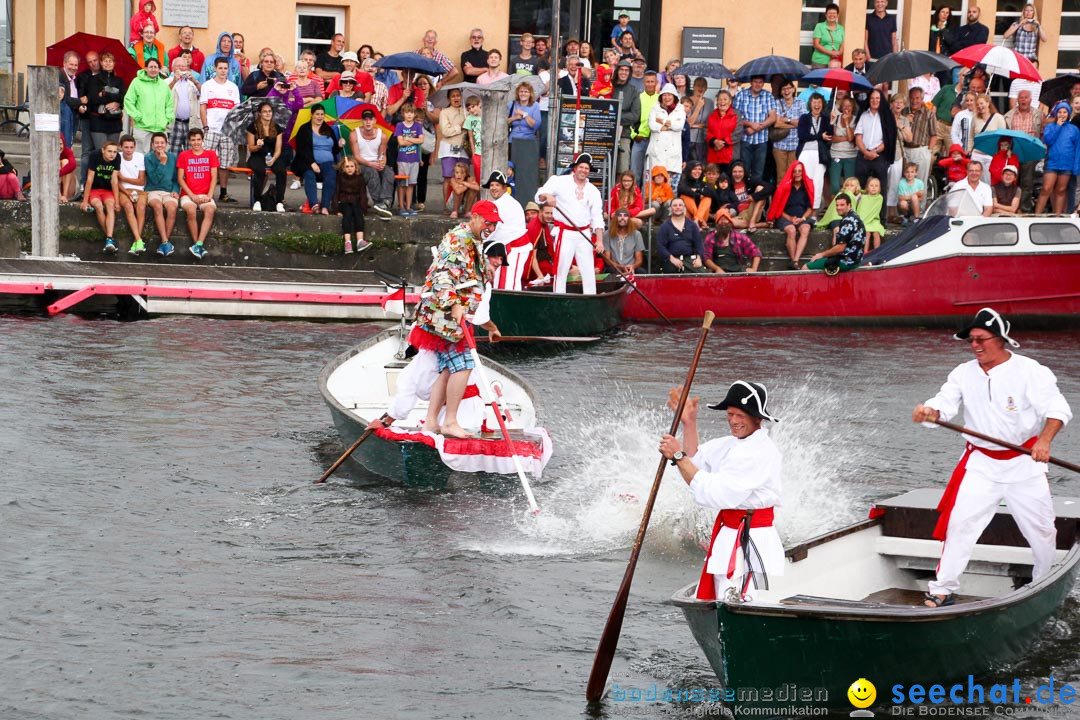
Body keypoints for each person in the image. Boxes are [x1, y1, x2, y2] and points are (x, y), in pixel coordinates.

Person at [912, 308, 1072, 608]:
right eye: (971, 340)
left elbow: (1057, 409)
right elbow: (944, 405)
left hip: (1025, 464)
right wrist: (930, 412)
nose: (975, 346)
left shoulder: (1030, 371)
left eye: (981, 339)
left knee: (1041, 529)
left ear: (1001, 340)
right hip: (981, 465)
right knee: (960, 524)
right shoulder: (963, 373)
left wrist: (1044, 441)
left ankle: (1041, 583)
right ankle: (943, 589)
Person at [659, 381, 784, 602]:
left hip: (751, 542)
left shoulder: (758, 452)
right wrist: (689, 424)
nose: (733, 421)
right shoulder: (732, 444)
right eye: (730, 414)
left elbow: (716, 494)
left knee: (747, 602)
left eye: (740, 415)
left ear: (758, 418)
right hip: (730, 536)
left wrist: (678, 457)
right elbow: (695, 460)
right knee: (723, 599)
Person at [390, 200, 502, 438]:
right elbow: (442, 276)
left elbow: (465, 268)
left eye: (493, 224)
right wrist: (454, 304)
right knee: (463, 366)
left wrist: (484, 269)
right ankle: (450, 421)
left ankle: (431, 421)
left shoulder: (471, 239)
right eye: (487, 222)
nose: (490, 228)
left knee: (448, 369)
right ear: (475, 218)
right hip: (446, 317)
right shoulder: (456, 241)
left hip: (444, 317)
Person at [535, 152, 606, 294]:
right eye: (581, 167)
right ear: (575, 168)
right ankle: (559, 297)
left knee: (588, 270)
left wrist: (599, 240)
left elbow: (597, 216)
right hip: (565, 233)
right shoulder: (559, 181)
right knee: (561, 269)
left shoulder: (593, 191)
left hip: (584, 233)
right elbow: (539, 196)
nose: (584, 170)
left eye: (586, 168)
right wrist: (548, 196)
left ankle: (590, 299)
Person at [479, 170, 531, 289]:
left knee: (510, 284)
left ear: (504, 187)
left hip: (515, 248)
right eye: (492, 185)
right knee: (500, 283)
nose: (493, 188)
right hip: (505, 248)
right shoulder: (498, 203)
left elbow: (496, 231)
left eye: (497, 185)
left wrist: (480, 244)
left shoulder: (507, 204)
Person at [200, 57, 240, 204]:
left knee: (224, 163)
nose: (223, 71)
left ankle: (223, 193)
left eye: (225, 68)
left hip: (227, 131)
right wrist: (205, 127)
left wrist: (233, 129)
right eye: (220, 68)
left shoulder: (233, 87)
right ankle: (202, 190)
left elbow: (236, 111)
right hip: (211, 129)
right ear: (215, 68)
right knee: (205, 161)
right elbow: (203, 107)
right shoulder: (207, 85)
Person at [854, 89, 896, 220]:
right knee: (859, 188)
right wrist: (866, 152)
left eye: (877, 98)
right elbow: (858, 137)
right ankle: (858, 217)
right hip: (863, 155)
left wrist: (874, 152)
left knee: (881, 189)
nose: (874, 101)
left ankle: (880, 219)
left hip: (879, 156)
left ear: (881, 100)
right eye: (872, 98)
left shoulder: (887, 116)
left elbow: (888, 139)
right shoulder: (863, 115)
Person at [176, 127, 218, 259]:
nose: (196, 142)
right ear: (189, 141)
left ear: (203, 140)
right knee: (190, 210)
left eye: (198, 139)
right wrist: (192, 195)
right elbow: (180, 179)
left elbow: (214, 177)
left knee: (210, 209)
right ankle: (197, 244)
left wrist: (210, 195)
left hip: (206, 194)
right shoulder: (184, 155)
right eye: (193, 140)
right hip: (188, 194)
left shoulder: (211, 154)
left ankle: (199, 243)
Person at [768, 162, 816, 269]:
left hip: (802, 217)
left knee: (805, 229)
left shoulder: (807, 186)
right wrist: (790, 218)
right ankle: (794, 262)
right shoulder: (784, 186)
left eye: (800, 171)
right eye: (795, 171)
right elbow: (779, 208)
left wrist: (802, 218)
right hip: (786, 217)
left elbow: (810, 208)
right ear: (792, 173)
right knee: (791, 230)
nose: (797, 173)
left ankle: (795, 260)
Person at [803, 192, 865, 273]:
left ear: (849, 205)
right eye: (837, 205)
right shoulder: (855, 216)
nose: (839, 208)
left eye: (842, 205)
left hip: (847, 262)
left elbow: (840, 247)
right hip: (856, 259)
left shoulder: (847, 221)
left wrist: (821, 254)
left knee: (806, 267)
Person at [349, 108, 394, 218]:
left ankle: (386, 201)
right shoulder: (354, 134)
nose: (368, 122)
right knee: (371, 172)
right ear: (362, 121)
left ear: (375, 121)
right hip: (361, 163)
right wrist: (371, 164)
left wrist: (382, 162)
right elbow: (357, 156)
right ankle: (378, 202)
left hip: (375, 161)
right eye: (365, 120)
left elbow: (382, 154)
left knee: (388, 171)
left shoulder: (382, 135)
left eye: (370, 119)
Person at [1004, 90, 1044, 212]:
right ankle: (1011, 208)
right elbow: (1006, 136)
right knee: (1012, 181)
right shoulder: (1009, 115)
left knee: (1027, 183)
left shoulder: (1039, 115)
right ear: (1017, 100)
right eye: (1021, 98)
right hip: (1014, 152)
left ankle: (1024, 208)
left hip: (1031, 153)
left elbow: (1042, 134)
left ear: (1031, 100)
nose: (1023, 100)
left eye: (1026, 98)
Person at [1036, 101, 1079, 215]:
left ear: (1068, 114)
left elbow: (1077, 149)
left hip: (1067, 164)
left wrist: (1076, 167)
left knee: (1061, 190)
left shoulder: (1074, 129)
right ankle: (1036, 215)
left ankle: (1057, 216)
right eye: (1060, 112)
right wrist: (1058, 127)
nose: (1062, 114)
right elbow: (1047, 140)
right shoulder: (1050, 126)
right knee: (1046, 189)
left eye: (1065, 112)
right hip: (1052, 163)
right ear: (1056, 113)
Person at [124, 58, 173, 153]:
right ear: (145, 68)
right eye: (151, 67)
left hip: (160, 128)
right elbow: (128, 101)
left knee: (161, 156)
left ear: (159, 69)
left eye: (156, 67)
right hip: (142, 128)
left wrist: (168, 118)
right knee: (141, 157)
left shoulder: (163, 85)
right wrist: (137, 116)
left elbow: (170, 104)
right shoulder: (136, 82)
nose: (153, 69)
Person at [733, 75, 777, 181]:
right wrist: (750, 124)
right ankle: (744, 194)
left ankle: (756, 196)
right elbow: (735, 118)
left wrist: (756, 128)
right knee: (744, 170)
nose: (758, 84)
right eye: (755, 82)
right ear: (751, 82)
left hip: (762, 140)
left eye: (760, 82)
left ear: (763, 83)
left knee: (759, 172)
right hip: (745, 139)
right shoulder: (741, 95)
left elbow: (772, 117)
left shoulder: (768, 96)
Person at [245, 101, 286, 212]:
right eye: (265, 112)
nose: (268, 114)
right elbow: (251, 148)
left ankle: (279, 201)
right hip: (257, 155)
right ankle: (257, 200)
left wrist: (274, 159)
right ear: (259, 113)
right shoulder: (253, 127)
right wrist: (257, 146)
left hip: (272, 155)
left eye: (269, 111)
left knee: (282, 171)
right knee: (259, 170)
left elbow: (278, 149)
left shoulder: (277, 128)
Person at [81, 140, 120, 253]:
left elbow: (114, 181)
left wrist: (117, 201)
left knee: (110, 206)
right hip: (94, 189)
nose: (112, 154)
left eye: (114, 152)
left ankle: (109, 239)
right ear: (103, 150)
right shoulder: (95, 156)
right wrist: (84, 200)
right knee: (98, 206)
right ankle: (110, 238)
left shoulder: (117, 159)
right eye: (109, 151)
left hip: (107, 190)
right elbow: (89, 179)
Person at [143, 131, 179, 256]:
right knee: (157, 206)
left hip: (168, 191)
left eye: (162, 143)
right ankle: (165, 241)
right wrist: (162, 163)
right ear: (152, 145)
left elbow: (176, 178)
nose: (159, 145)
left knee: (172, 208)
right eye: (156, 143)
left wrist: (175, 190)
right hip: (153, 190)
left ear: (166, 144)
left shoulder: (173, 157)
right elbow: (153, 179)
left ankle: (165, 242)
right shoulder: (148, 158)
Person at [647, 83, 686, 191]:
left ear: (674, 97)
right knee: (653, 189)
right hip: (657, 152)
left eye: (670, 95)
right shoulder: (655, 107)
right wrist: (667, 126)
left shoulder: (680, 109)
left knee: (670, 189)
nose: (667, 98)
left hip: (672, 154)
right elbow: (652, 125)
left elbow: (679, 126)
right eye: (665, 95)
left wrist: (662, 121)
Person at [797, 93, 832, 208]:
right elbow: (802, 135)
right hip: (805, 153)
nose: (817, 105)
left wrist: (832, 122)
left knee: (818, 183)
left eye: (819, 103)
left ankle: (814, 211)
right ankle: (803, 209)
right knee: (805, 181)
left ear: (822, 104)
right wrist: (819, 137)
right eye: (814, 102)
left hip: (820, 155)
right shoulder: (804, 118)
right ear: (810, 104)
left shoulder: (826, 119)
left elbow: (829, 135)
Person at [116, 135, 148, 254]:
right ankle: (139, 240)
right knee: (128, 207)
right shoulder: (117, 157)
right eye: (126, 147)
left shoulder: (140, 157)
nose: (129, 150)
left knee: (141, 208)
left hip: (139, 190)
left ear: (134, 147)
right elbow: (116, 182)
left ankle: (136, 241)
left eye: (131, 147)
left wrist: (124, 178)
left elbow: (141, 181)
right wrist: (126, 192)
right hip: (123, 190)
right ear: (121, 147)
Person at [332, 156, 371, 254]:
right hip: (344, 202)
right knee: (347, 215)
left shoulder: (359, 178)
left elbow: (363, 194)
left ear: (356, 168)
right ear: (343, 168)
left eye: (352, 166)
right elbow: (336, 193)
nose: (349, 168)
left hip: (356, 202)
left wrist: (364, 208)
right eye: (347, 166)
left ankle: (360, 241)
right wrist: (336, 210)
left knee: (358, 214)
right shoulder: (340, 178)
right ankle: (347, 242)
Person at [657, 198, 706, 273]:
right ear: (670, 208)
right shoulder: (665, 226)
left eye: (680, 205)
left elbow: (699, 244)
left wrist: (699, 258)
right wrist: (672, 258)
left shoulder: (692, 225)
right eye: (675, 205)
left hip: (689, 259)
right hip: (672, 259)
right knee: (670, 271)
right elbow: (660, 246)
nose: (678, 207)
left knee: (702, 274)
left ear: (684, 207)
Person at [393, 103, 424, 217]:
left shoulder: (417, 126)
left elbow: (421, 140)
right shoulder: (400, 125)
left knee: (411, 184)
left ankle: (408, 206)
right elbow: (400, 142)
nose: (409, 115)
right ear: (403, 114)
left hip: (414, 159)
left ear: (414, 114)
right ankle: (401, 206)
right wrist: (414, 140)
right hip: (403, 159)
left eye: (411, 112)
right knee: (402, 184)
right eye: (407, 112)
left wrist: (408, 139)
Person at [630, 71, 660, 185]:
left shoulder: (660, 99)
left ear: (656, 82)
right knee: (635, 172)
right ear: (644, 82)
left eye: (652, 81)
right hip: (640, 139)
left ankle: (647, 199)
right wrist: (634, 135)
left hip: (655, 140)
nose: (650, 84)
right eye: (648, 81)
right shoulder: (638, 97)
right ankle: (634, 199)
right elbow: (632, 118)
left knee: (652, 174)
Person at [168, 54, 201, 154]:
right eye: (178, 66)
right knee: (172, 152)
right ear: (172, 68)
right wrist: (174, 81)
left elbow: (203, 95)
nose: (181, 68)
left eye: (183, 66)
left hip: (190, 122)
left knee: (190, 152)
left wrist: (195, 81)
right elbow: (164, 95)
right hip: (175, 123)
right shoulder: (167, 81)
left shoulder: (192, 83)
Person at [830, 96, 858, 198]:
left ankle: (847, 207)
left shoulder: (855, 120)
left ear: (853, 107)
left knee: (849, 185)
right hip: (836, 154)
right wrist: (846, 137)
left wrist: (846, 123)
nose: (847, 107)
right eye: (844, 105)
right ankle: (835, 207)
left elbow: (851, 138)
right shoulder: (836, 117)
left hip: (850, 156)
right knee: (835, 185)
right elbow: (832, 138)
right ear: (841, 107)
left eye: (849, 105)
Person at [602, 207, 645, 274]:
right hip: (615, 268)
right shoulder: (607, 234)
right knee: (610, 270)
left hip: (631, 268)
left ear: (629, 219)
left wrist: (632, 266)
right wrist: (621, 267)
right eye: (619, 215)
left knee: (641, 271)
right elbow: (607, 260)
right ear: (615, 218)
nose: (622, 218)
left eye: (625, 215)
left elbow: (639, 260)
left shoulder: (636, 234)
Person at [706, 90, 737, 176]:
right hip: (713, 155)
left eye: (725, 99)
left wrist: (723, 143)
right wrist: (714, 141)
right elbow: (706, 131)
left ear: (730, 101)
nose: (722, 102)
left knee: (727, 180)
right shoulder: (711, 115)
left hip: (729, 155)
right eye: (720, 99)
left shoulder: (736, 115)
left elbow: (737, 133)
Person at [812, 3, 845, 68]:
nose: (831, 15)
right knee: (819, 78)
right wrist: (830, 53)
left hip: (835, 62)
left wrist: (839, 52)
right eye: (829, 13)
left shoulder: (841, 28)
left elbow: (842, 44)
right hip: (820, 61)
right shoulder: (819, 26)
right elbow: (816, 44)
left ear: (837, 15)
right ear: (826, 14)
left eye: (834, 13)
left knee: (833, 78)